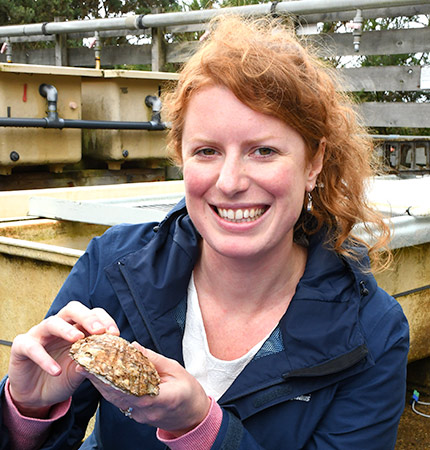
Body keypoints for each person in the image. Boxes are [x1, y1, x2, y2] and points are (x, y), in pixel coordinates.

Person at [0, 15, 409, 450]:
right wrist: (27, 412)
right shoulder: (114, 268)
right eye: (207, 151)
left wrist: (201, 429)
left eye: (264, 151)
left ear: (313, 163)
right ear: (180, 156)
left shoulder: (371, 333)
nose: (230, 181)